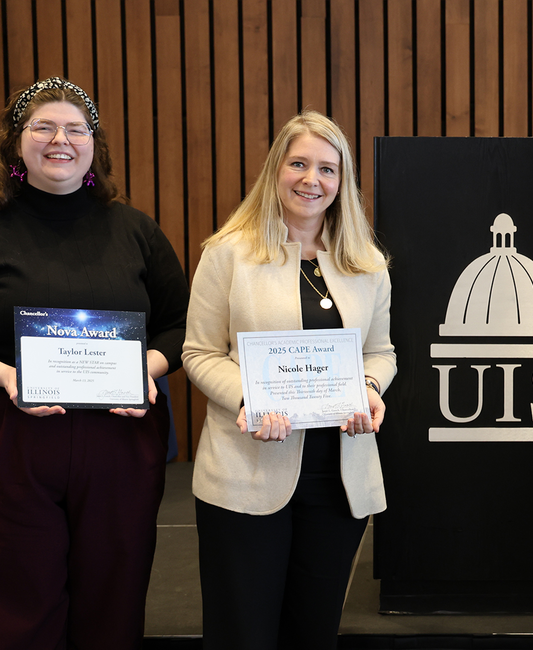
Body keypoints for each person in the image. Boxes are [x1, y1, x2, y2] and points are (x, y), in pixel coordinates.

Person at [0, 77, 188, 648]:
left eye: (76, 128)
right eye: (43, 126)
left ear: (94, 146)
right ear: (15, 144)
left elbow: (184, 326)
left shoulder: (134, 230)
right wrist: (4, 375)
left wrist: (149, 367)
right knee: (11, 609)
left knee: (113, 602)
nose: (61, 139)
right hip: (3, 444)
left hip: (119, 443)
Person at [183, 109, 394, 649]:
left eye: (327, 168)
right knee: (242, 635)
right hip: (247, 474)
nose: (312, 179)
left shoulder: (367, 263)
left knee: (313, 633)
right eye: (298, 164)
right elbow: (201, 353)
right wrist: (251, 399)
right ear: (276, 170)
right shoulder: (227, 253)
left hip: (338, 478)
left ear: (342, 180)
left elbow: (381, 352)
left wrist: (369, 389)